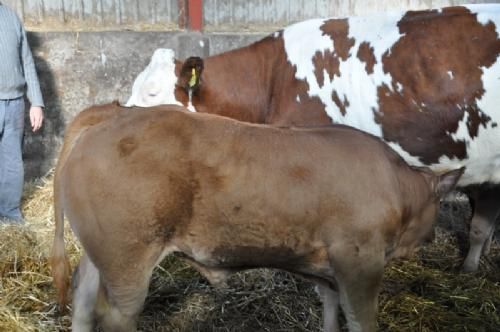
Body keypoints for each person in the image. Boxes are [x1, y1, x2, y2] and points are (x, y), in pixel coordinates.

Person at [0, 2, 44, 223]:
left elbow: (27, 61)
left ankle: (10, 215)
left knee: (12, 163)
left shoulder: (11, 16)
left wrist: (36, 102)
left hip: (15, 101)